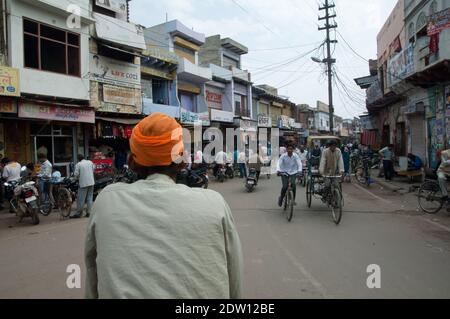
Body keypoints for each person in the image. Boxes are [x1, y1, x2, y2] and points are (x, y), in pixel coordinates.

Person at [84, 113, 243, 299]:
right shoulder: (215, 204)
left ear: (131, 162)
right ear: (182, 160)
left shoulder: (106, 201)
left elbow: (92, 275)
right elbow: (235, 279)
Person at [71, 155, 95, 219]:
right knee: (89, 198)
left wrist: (74, 179)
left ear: (78, 159)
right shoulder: (90, 162)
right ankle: (89, 212)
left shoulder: (78, 164)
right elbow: (93, 169)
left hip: (83, 183)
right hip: (91, 182)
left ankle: (78, 213)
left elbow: (76, 174)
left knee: (81, 199)